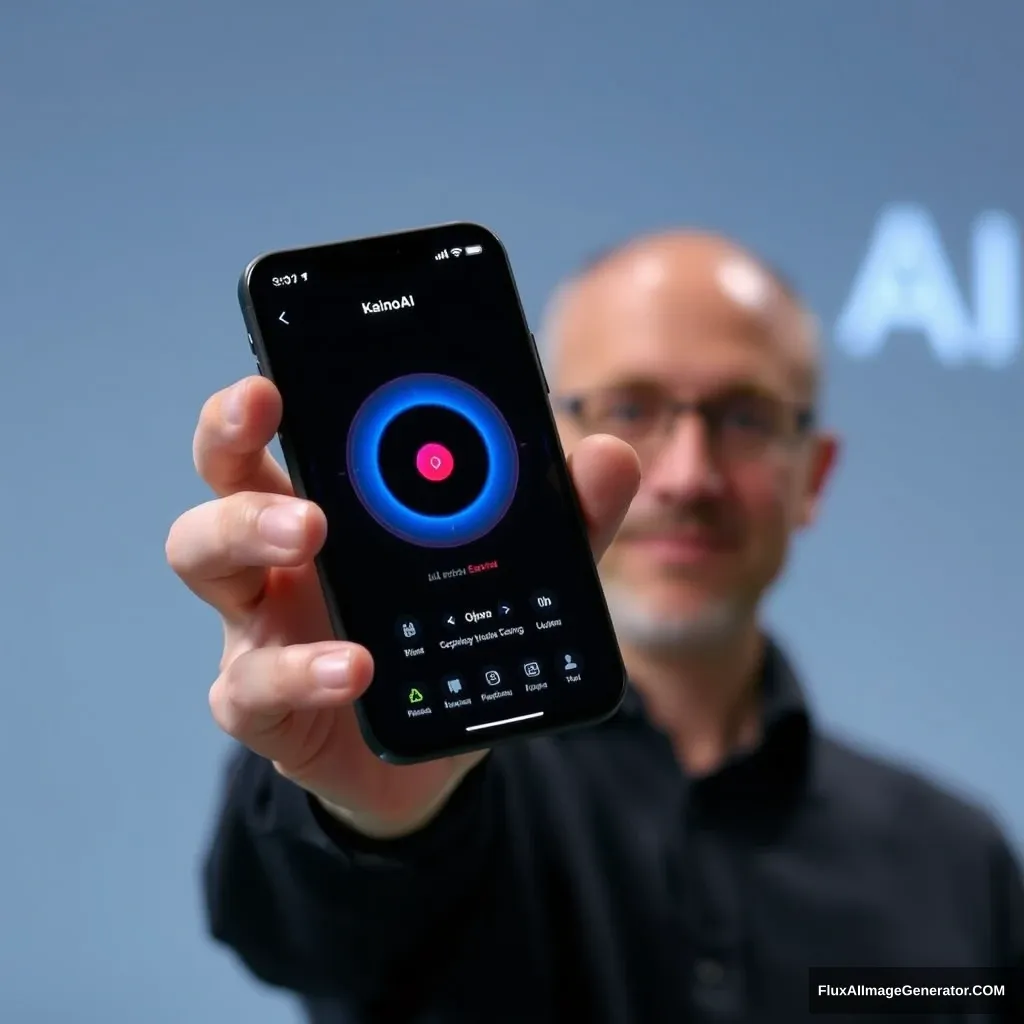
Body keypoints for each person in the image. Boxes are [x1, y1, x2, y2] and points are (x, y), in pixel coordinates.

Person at [168, 230, 1024, 1022]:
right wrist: (368, 821)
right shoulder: (443, 783)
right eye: (631, 406)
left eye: (745, 418)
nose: (687, 475)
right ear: (548, 436)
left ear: (816, 475)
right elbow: (296, 934)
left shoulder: (958, 860)